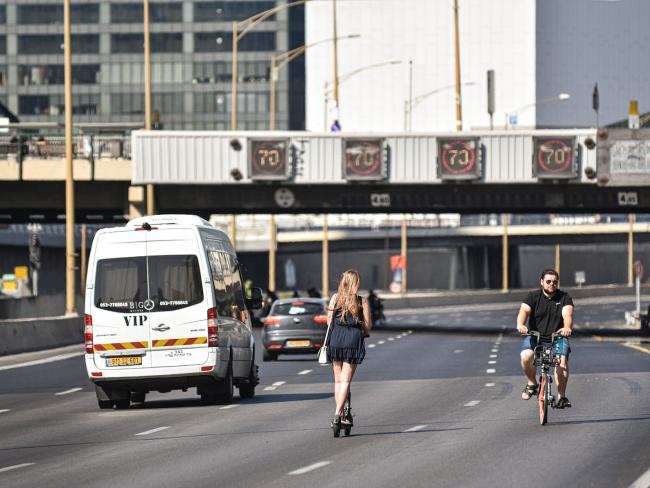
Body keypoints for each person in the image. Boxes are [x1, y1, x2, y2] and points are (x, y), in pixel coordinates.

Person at [516, 268, 574, 408]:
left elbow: (567, 315)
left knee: (562, 362)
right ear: (542, 282)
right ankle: (532, 383)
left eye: (555, 282)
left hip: (557, 337)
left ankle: (562, 396)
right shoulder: (533, 296)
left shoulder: (564, 297)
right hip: (536, 337)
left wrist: (567, 328)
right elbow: (523, 311)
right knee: (525, 356)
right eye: (548, 281)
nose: (551, 284)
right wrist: (520, 324)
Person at [326, 269, 371, 431]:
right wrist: (360, 329)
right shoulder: (362, 301)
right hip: (353, 341)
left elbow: (329, 323)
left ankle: (340, 415)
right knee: (346, 380)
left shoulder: (335, 299)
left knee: (338, 380)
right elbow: (368, 327)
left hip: (336, 340)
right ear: (356, 283)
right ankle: (338, 414)